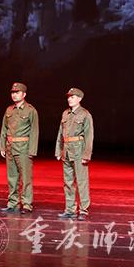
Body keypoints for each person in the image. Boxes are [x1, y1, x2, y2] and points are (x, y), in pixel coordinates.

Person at [0, 82, 39, 214]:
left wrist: (32, 151)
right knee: (12, 177)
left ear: (24, 94)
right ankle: (13, 203)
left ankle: (27, 204)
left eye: (17, 92)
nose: (14, 95)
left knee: (26, 178)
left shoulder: (30, 110)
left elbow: (34, 131)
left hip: (23, 148)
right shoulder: (9, 110)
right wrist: (2, 146)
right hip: (10, 147)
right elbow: (4, 129)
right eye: (13, 93)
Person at [55, 87, 94, 221]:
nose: (69, 99)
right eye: (68, 97)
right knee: (68, 182)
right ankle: (70, 209)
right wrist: (58, 150)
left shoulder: (85, 114)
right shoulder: (65, 114)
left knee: (82, 181)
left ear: (79, 98)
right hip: (66, 151)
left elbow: (89, 136)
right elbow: (60, 133)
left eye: (72, 97)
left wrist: (86, 155)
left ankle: (83, 210)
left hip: (78, 151)